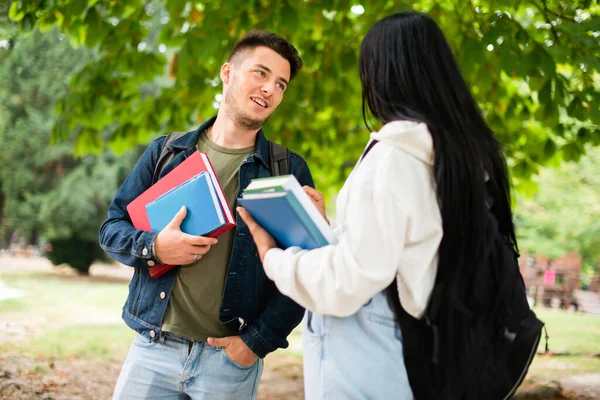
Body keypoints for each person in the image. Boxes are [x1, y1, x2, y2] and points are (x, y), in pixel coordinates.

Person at [239, 12, 519, 399]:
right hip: (431, 343)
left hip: (373, 348)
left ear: (384, 73)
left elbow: (350, 280)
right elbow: (406, 246)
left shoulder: (395, 156)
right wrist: (331, 231)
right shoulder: (464, 156)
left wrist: (272, 257)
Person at [99, 30, 315, 400]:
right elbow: (112, 229)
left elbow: (305, 272)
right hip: (153, 349)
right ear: (227, 73)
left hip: (229, 365)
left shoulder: (287, 171)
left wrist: (255, 343)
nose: (270, 89)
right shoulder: (167, 152)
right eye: (261, 73)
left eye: (280, 84)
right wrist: (155, 247)